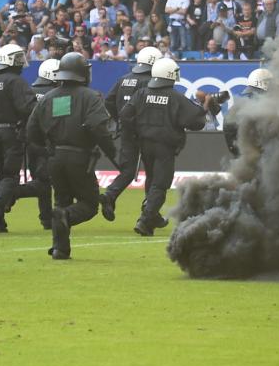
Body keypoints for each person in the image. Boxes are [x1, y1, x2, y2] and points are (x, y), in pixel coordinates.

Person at [25, 52, 117, 259]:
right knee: (89, 204)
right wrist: (114, 154)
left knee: (61, 200)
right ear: (83, 73)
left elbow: (31, 131)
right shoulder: (90, 97)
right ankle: (66, 216)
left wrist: (47, 150)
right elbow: (99, 129)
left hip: (55, 158)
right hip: (80, 157)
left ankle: (60, 249)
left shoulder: (49, 97)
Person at [119, 56, 209, 237]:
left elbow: (125, 114)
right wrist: (204, 106)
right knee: (160, 184)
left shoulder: (141, 94)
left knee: (152, 180)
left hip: (144, 145)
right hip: (165, 147)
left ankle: (151, 220)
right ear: (169, 74)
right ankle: (145, 220)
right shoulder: (175, 97)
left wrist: (136, 132)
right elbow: (196, 121)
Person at [0, 43, 35, 234]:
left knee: (1, 174)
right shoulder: (16, 82)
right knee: (10, 175)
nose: (21, 63)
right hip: (11, 133)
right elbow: (28, 108)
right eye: (18, 59)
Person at [98, 45, 159, 222]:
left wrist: (120, 120)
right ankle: (150, 210)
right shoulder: (150, 81)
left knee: (128, 170)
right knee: (153, 172)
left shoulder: (124, 79)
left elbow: (109, 102)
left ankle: (110, 195)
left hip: (126, 131)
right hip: (146, 132)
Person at [21, 57, 60, 229]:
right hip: (47, 143)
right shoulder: (56, 94)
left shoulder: (30, 90)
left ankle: (46, 218)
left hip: (30, 142)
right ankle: (11, 194)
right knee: (45, 181)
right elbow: (58, 120)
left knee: (41, 181)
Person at [223, 67, 272, 159]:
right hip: (263, 160)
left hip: (243, 158)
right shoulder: (270, 108)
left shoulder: (236, 108)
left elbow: (228, 131)